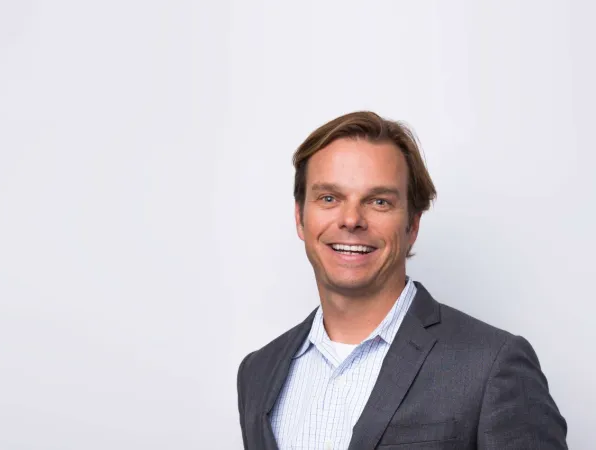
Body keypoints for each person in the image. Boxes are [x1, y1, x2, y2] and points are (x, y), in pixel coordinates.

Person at [235, 111, 567, 450]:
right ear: (300, 217)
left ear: (412, 226)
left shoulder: (492, 364)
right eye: (329, 198)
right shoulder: (258, 372)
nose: (351, 219)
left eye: (379, 201)